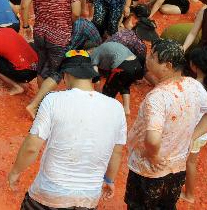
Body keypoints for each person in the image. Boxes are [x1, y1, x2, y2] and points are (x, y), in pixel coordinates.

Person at [8, 50, 126, 210]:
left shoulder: (53, 100)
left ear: (66, 75)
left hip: (50, 193)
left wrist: (15, 172)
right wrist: (109, 180)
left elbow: (31, 148)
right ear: (91, 75)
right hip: (88, 198)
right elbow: (116, 152)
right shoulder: (116, 107)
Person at [125, 39, 207, 210]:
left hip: (148, 170)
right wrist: (193, 136)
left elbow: (153, 139)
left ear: (167, 65)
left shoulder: (157, 97)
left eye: (153, 57)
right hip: (177, 166)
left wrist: (153, 156)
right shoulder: (193, 85)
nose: (148, 58)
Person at [22, 0, 82, 118]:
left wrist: (26, 25)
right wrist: (66, 22)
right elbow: (77, 13)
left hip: (40, 31)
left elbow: (24, 6)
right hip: (60, 33)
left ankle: (42, 103)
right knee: (56, 71)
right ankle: (35, 105)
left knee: (42, 68)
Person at [181, 46, 207, 203]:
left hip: (197, 130)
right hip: (205, 128)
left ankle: (189, 195)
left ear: (194, 66)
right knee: (190, 161)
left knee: (190, 162)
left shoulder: (196, 86)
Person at [91, 40, 145, 115]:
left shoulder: (93, 53)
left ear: (90, 50)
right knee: (124, 85)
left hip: (122, 66)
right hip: (136, 65)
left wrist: (99, 96)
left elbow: (96, 79)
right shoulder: (103, 47)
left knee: (107, 93)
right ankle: (126, 109)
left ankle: (103, 114)